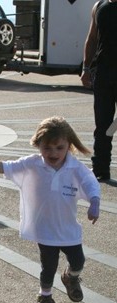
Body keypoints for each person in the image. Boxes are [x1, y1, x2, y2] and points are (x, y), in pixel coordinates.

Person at [0, 116, 100, 303]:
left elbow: (90, 183)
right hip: (44, 229)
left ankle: (71, 277)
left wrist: (95, 202)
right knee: (48, 267)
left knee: (78, 261)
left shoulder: (75, 168)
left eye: (59, 148)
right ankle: (44, 296)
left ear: (69, 146)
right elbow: (6, 166)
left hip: (68, 229)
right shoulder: (32, 164)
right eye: (47, 148)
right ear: (38, 145)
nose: (53, 153)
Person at [81, 0, 117, 181]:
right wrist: (86, 68)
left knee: (113, 125)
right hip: (104, 74)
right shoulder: (99, 6)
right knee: (103, 125)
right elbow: (92, 38)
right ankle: (101, 169)